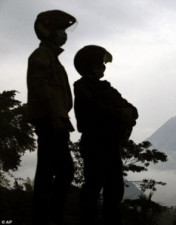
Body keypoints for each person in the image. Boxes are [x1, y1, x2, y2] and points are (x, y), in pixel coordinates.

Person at [73, 45, 138, 225]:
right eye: (99, 63)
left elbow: (132, 109)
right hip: (94, 143)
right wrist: (120, 113)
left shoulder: (107, 89)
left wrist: (126, 113)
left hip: (110, 144)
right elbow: (94, 110)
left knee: (115, 188)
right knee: (93, 186)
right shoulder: (81, 86)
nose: (103, 67)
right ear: (88, 65)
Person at [26, 10, 77, 225]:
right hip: (50, 121)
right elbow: (41, 89)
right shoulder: (42, 56)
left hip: (57, 120)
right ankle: (48, 216)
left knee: (52, 169)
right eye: (60, 30)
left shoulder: (52, 58)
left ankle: (46, 215)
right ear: (48, 31)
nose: (64, 34)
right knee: (60, 170)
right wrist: (55, 117)